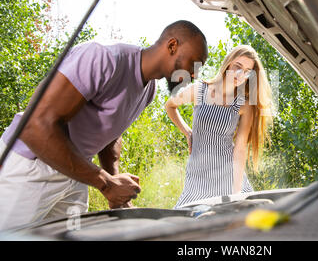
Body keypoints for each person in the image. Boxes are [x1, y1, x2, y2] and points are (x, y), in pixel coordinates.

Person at [0, 20, 208, 230]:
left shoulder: (149, 90)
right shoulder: (103, 57)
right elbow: (34, 126)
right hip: (32, 167)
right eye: (195, 63)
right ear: (172, 45)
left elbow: (110, 135)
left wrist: (114, 183)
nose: (195, 74)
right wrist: (106, 183)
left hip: (76, 173)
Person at [165, 45, 273, 208]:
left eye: (247, 71)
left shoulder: (243, 105)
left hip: (227, 177)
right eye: (237, 66)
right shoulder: (199, 90)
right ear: (228, 63)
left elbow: (240, 148)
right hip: (197, 176)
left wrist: (236, 193)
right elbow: (170, 105)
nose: (240, 74)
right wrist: (187, 132)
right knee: (187, 222)